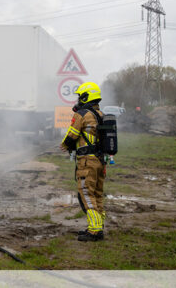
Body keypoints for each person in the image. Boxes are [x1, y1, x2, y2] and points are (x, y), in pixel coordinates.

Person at [60, 82, 107, 241]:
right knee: (97, 194)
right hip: (100, 161)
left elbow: (72, 135)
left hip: (87, 161)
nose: (79, 100)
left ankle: (94, 230)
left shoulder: (82, 114)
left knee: (86, 193)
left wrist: (64, 145)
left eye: (80, 96)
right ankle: (98, 226)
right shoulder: (100, 114)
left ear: (86, 96)